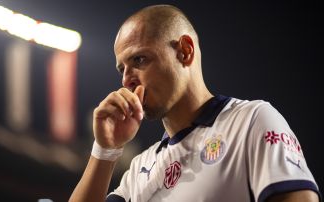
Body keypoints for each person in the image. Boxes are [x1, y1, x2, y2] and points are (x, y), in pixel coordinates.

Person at [69, 4, 321, 202]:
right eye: (121, 68)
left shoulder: (252, 121)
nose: (126, 80)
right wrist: (105, 149)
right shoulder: (140, 167)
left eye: (139, 60)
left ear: (185, 51)